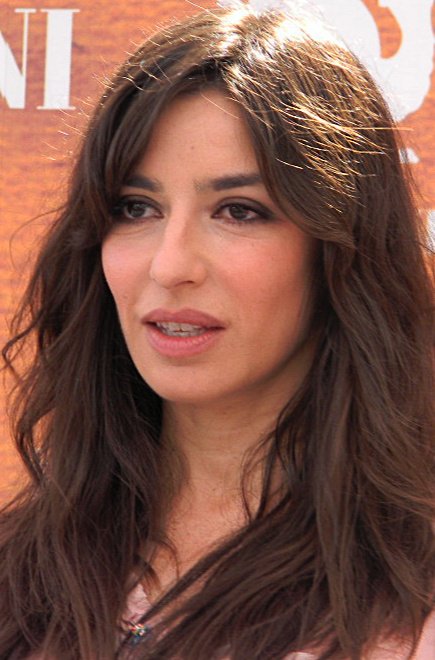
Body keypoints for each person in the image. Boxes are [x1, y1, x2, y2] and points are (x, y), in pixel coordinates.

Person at [0, 4, 433, 659]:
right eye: (136, 208)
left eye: (238, 211)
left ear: (338, 252)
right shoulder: (24, 566)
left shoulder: (410, 599)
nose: (170, 264)